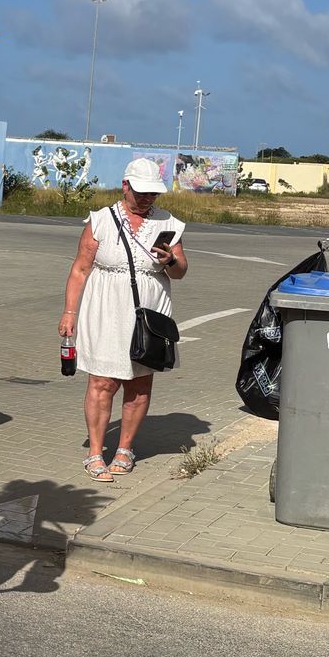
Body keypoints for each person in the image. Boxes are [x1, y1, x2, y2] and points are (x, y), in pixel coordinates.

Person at [60, 158, 189, 478]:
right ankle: (95, 452)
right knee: (102, 381)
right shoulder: (101, 220)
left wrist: (170, 260)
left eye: (152, 194)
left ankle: (125, 449)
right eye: (141, 192)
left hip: (149, 312)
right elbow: (80, 269)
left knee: (140, 382)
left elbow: (180, 272)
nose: (147, 199)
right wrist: (69, 312)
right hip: (105, 309)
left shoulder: (167, 223)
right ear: (125, 186)